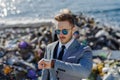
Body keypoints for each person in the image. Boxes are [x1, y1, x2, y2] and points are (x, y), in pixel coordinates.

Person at [38, 13, 93, 80]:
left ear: (73, 30)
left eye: (64, 31)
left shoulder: (84, 50)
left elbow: (84, 72)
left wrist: (54, 64)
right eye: (58, 31)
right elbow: (45, 75)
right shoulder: (50, 48)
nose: (61, 34)